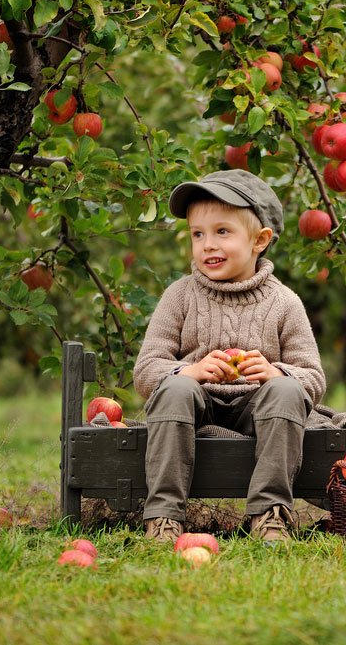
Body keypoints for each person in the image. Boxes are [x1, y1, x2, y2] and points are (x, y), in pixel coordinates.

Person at [133, 169, 326, 543]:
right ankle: (163, 515)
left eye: (222, 232)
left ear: (260, 240)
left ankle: (269, 514)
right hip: (197, 405)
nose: (207, 245)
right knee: (174, 390)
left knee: (286, 391)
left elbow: (313, 378)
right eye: (197, 234)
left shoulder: (285, 302)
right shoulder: (180, 295)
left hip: (259, 410)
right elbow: (146, 371)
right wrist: (189, 371)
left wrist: (276, 373)